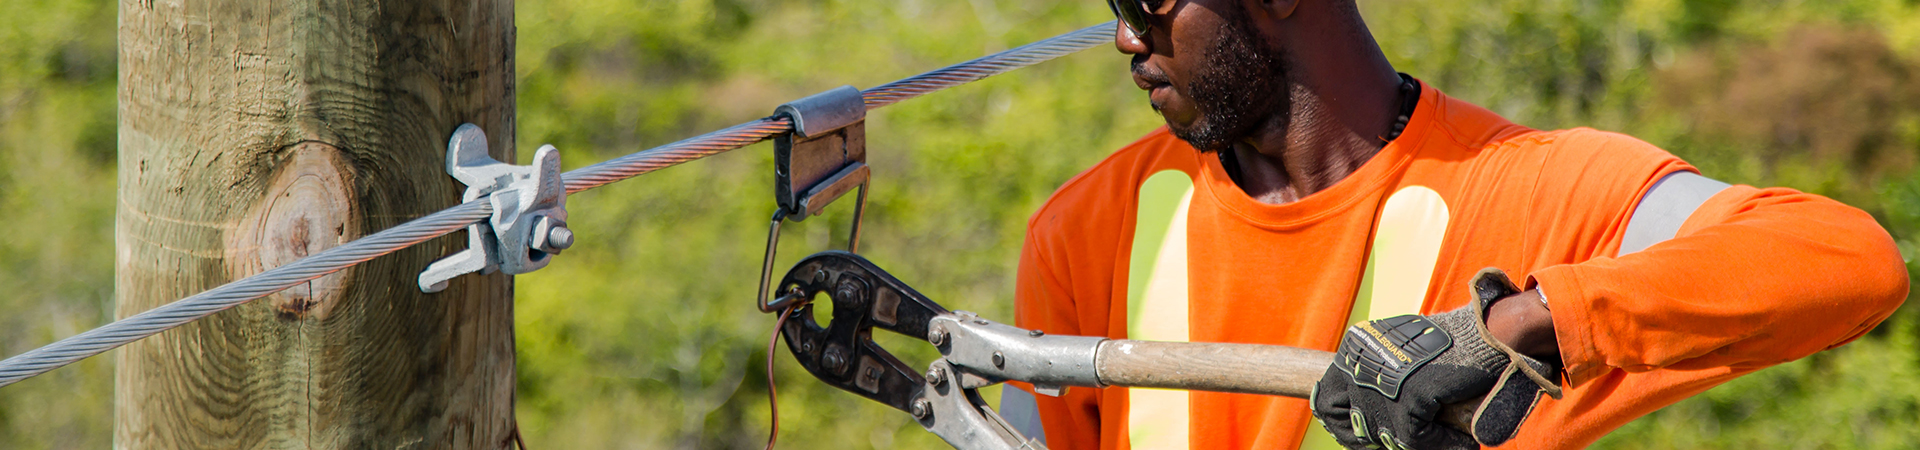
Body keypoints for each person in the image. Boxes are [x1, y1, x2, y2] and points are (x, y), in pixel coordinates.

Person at [992, 0, 1912, 448]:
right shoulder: (1087, 230)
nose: (1124, 37)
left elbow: (1846, 259)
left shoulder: (1539, 191)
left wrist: (1524, 325)